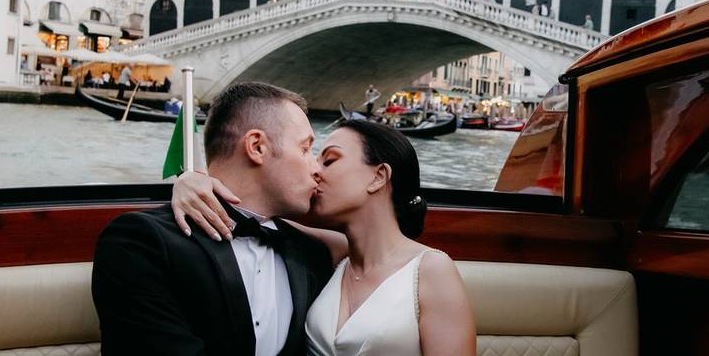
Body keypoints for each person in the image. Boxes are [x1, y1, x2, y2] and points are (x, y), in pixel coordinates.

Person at [171, 119, 476, 355]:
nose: (315, 171)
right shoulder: (329, 253)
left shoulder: (432, 269)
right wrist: (192, 181)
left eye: (329, 160)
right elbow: (254, 213)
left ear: (378, 177)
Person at [92, 82, 333, 355]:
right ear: (257, 146)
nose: (317, 169)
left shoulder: (312, 253)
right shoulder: (141, 242)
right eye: (305, 149)